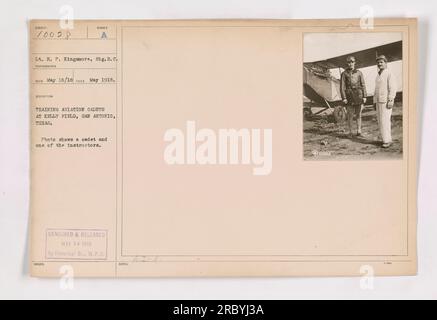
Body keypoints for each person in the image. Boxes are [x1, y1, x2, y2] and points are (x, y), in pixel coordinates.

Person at [340, 56, 367, 137]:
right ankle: (351, 132)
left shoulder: (359, 73)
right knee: (350, 115)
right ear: (347, 63)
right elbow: (342, 87)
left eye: (352, 62)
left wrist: (364, 96)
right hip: (349, 96)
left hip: (358, 95)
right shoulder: (344, 73)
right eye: (349, 62)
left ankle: (359, 131)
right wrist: (344, 97)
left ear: (355, 63)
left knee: (358, 114)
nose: (350, 64)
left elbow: (363, 84)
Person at [374, 55, 397, 148]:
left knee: (385, 120)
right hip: (379, 101)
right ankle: (384, 139)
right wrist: (374, 101)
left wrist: (391, 99)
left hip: (385, 101)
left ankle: (387, 140)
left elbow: (393, 87)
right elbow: (376, 90)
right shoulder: (378, 75)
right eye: (378, 62)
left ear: (385, 63)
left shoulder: (389, 73)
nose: (379, 64)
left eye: (381, 62)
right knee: (380, 121)